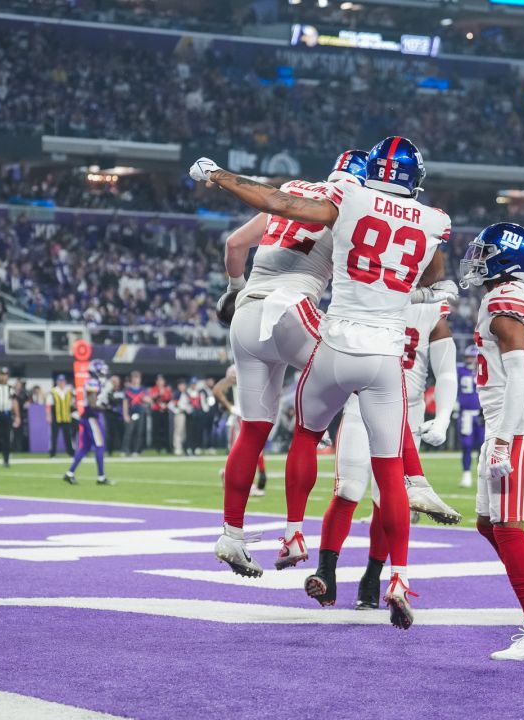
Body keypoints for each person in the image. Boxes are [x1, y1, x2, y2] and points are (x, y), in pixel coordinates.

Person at [191, 136, 456, 629]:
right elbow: (422, 275)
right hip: (324, 324)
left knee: (261, 429)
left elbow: (258, 222)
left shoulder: (323, 194)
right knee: (381, 448)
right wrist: (436, 291)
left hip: (248, 310)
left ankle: (234, 533)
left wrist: (219, 177)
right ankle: (404, 501)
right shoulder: (424, 216)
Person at [206, 150, 365, 576]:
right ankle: (295, 532)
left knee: (252, 430)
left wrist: (234, 288)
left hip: (248, 312)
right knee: (320, 418)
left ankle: (231, 536)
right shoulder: (354, 204)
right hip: (294, 307)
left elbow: (235, 244)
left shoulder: (295, 189)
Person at [310, 299, 462, 610]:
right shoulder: (369, 295)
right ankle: (326, 570)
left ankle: (372, 577)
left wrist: (444, 416)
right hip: (361, 401)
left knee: (385, 498)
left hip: (410, 411)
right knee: (348, 489)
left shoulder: (431, 310)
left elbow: (446, 371)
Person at [458, 222, 524, 661]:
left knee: (506, 527)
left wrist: (501, 439)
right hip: (504, 421)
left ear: (505, 258)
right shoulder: (502, 296)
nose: (477, 259)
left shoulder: (505, 300)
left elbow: (520, 374)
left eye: (485, 252)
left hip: (512, 424)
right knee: (488, 524)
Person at [213, 367, 268, 497]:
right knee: (249, 451)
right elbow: (217, 390)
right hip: (241, 417)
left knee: (246, 452)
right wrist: (231, 407)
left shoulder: (251, 370)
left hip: (247, 415)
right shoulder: (237, 370)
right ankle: (249, 484)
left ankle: (228, 475)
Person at [64, 359, 114, 485]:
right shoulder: (92, 382)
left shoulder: (96, 382)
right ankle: (101, 477)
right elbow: (92, 404)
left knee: (85, 447)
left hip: (88, 417)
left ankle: (69, 473)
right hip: (91, 417)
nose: (104, 372)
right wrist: (107, 409)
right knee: (100, 446)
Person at [458, 346, 484, 487]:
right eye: (467, 357)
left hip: (482, 414)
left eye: (470, 357)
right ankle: (466, 474)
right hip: (466, 414)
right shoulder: (460, 370)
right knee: (466, 445)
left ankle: (482, 475)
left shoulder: (485, 370)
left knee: (483, 446)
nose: (468, 360)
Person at [47, 374, 77, 457]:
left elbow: (74, 401)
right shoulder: (53, 391)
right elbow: (49, 405)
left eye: (63, 381)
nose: (61, 383)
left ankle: (70, 452)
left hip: (66, 417)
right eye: (60, 381)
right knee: (54, 436)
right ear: (57, 382)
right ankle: (52, 453)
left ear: (65, 382)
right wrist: (48, 416)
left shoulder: (69, 391)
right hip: (56, 417)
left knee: (68, 436)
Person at [123, 371, 149, 456]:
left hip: (140, 412)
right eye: (134, 378)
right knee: (129, 431)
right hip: (131, 413)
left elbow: (148, 401)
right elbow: (125, 403)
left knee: (139, 432)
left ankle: (136, 450)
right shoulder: (128, 390)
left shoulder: (143, 390)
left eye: (137, 378)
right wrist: (125, 414)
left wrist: (146, 400)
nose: (136, 380)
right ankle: (126, 450)